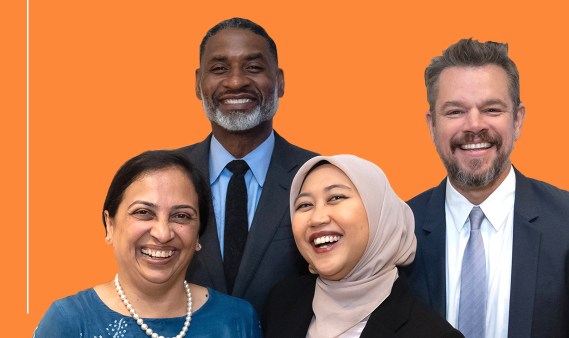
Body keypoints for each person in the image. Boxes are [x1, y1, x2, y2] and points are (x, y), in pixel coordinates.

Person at [406, 38, 569, 338]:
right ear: (432, 126)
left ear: (518, 120)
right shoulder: (399, 228)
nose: (474, 125)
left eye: (492, 109)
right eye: (455, 112)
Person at [34, 150, 262, 337]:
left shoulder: (237, 320)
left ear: (199, 236)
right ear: (110, 224)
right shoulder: (69, 321)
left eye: (181, 216)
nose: (163, 233)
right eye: (143, 212)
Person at [180, 17, 317, 315]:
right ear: (197, 83)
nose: (236, 81)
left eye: (253, 67)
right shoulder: (167, 175)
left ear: (279, 81)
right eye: (219, 69)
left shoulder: (318, 175)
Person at [262, 155, 464, 338]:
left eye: (335, 198)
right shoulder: (281, 304)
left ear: (379, 215)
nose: (317, 218)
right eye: (304, 205)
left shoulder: (432, 334)